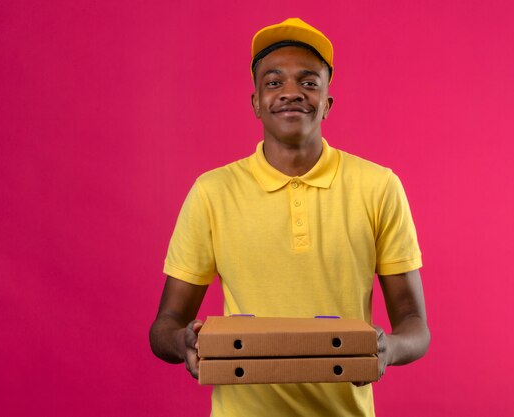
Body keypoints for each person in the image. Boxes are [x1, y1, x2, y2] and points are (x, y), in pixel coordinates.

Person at [150, 17, 430, 417]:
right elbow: (164, 325)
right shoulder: (212, 192)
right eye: (274, 82)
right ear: (256, 103)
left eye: (309, 82)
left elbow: (415, 325)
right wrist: (184, 342)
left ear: (327, 104)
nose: (291, 93)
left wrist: (387, 350)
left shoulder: (378, 186)